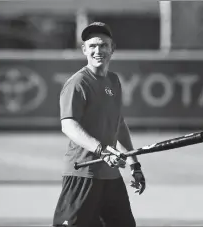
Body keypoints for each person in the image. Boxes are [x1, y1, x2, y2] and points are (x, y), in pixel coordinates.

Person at [53, 22, 146, 227]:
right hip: (82, 173)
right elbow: (68, 125)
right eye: (93, 45)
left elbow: (119, 124)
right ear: (84, 50)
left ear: (112, 49)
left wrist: (134, 165)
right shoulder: (78, 83)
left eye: (103, 45)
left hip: (111, 177)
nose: (98, 50)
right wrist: (102, 151)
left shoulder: (114, 81)